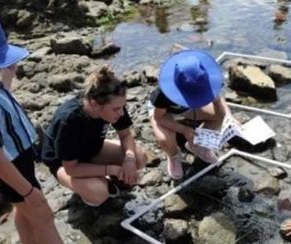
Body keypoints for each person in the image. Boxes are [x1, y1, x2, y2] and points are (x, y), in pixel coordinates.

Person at [0, 12, 105, 244]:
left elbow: (0, 94)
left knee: (24, 208)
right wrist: (28, 189)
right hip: (7, 167)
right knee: (41, 212)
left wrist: (7, 76)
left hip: (15, 160)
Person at [42, 65, 147, 207]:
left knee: (139, 157)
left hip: (92, 149)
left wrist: (129, 160)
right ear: (94, 105)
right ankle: (94, 185)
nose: (121, 113)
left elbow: (126, 135)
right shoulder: (69, 120)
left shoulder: (114, 104)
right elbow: (71, 168)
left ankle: (103, 177)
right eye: (116, 109)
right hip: (64, 163)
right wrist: (110, 169)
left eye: (123, 107)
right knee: (99, 193)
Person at [149, 49, 233, 180]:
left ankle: (199, 145)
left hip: (186, 108)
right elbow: (159, 118)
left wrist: (229, 117)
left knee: (220, 115)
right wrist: (184, 130)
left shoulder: (204, 79)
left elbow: (218, 101)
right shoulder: (163, 92)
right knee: (165, 138)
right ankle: (173, 156)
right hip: (164, 112)